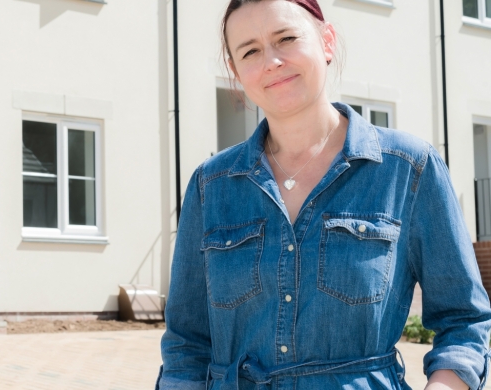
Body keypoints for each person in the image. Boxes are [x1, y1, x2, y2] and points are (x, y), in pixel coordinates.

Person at [156, 0, 491, 389]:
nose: (272, 61)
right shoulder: (210, 186)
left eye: (286, 38)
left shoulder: (408, 168)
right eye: (250, 51)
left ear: (326, 41)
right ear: (236, 71)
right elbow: (186, 346)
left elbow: (463, 321)